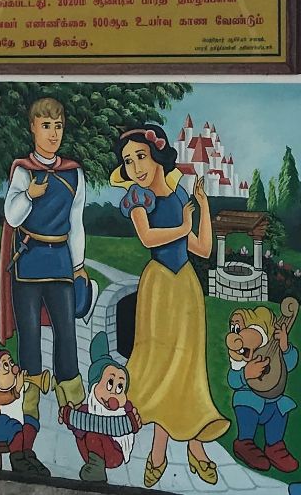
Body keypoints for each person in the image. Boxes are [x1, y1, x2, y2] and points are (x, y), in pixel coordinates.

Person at [111, 124, 229, 487]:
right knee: (162, 363)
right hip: (159, 285)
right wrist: (184, 226)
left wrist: (203, 210)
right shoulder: (136, 199)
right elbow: (148, 236)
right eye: (128, 162)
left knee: (188, 365)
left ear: (157, 156)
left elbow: (203, 250)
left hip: (187, 288)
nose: (136, 168)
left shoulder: (180, 196)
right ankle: (159, 447)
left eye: (140, 157)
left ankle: (196, 447)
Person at [0, 97, 88, 433]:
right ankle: (30, 401)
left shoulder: (74, 174)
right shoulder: (23, 171)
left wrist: (78, 265)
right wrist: (29, 195)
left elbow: (76, 222)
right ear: (33, 127)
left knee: (66, 331)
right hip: (28, 260)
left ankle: (72, 398)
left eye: (58, 126)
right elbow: (11, 215)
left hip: (61, 262)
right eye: (46, 125)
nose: (53, 134)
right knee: (30, 335)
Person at [60, 332, 141, 483]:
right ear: (95, 385)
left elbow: (126, 426)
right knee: (89, 432)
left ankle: (96, 471)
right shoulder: (88, 409)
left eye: (119, 388)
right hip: (89, 451)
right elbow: (77, 424)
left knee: (94, 434)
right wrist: (68, 416)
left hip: (114, 454)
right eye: (110, 384)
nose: (113, 391)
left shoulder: (124, 412)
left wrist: (132, 421)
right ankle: (94, 467)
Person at [226, 305, 297, 472]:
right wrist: (245, 374)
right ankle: (245, 443)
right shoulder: (240, 359)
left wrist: (285, 348)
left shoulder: (273, 351)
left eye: (241, 328)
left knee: (281, 409)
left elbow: (291, 364)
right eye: (235, 328)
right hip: (250, 401)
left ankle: (275, 446)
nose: (236, 334)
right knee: (245, 404)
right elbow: (232, 379)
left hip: (273, 401)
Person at [0, 348, 48, 477]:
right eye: (5, 365)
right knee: (14, 426)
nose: (12, 367)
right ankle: (17, 459)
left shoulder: (11, 385)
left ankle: (27, 453)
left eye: (11, 363)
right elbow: (6, 398)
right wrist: (17, 388)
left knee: (30, 422)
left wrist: (25, 383)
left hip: (6, 420)